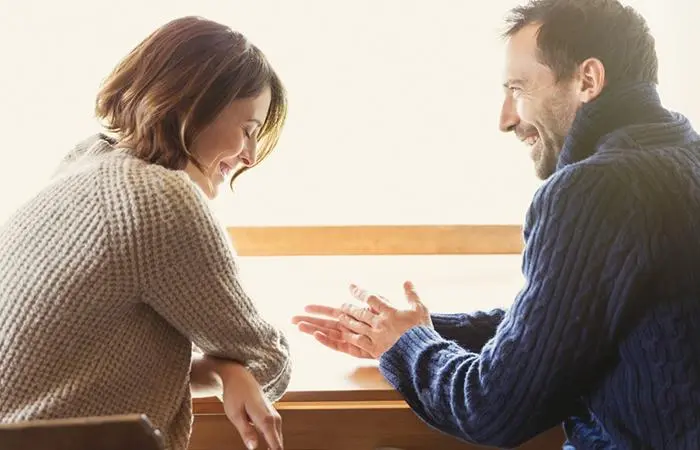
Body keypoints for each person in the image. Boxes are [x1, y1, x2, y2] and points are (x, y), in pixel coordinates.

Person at [292, 0, 700, 448]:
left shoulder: (593, 191)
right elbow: (567, 320)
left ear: (588, 80)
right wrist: (415, 328)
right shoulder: (685, 157)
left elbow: (490, 407)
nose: (506, 118)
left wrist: (406, 346)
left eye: (518, 89)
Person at [0, 16, 291, 450]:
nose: (249, 156)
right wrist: (234, 366)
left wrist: (222, 371)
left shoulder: (87, 162)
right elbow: (268, 359)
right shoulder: (158, 199)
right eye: (248, 130)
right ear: (196, 104)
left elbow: (94, 365)